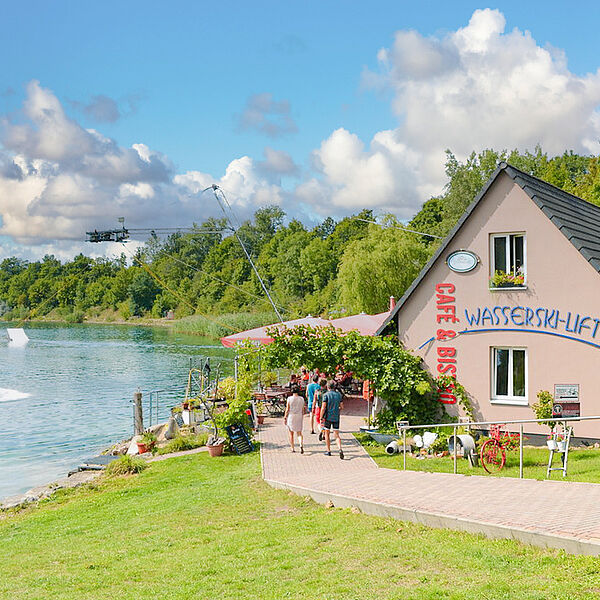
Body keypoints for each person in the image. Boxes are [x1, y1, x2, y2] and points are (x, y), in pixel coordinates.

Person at [321, 380, 344, 459]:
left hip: (328, 417)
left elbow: (323, 407)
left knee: (327, 433)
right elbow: (342, 407)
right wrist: (337, 409)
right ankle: (340, 448)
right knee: (337, 435)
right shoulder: (339, 395)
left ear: (328, 387)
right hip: (336, 416)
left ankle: (328, 450)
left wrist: (321, 417)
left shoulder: (326, 395)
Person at [284, 384, 305, 453]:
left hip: (291, 416)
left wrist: (285, 417)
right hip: (299, 415)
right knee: (299, 433)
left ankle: (292, 448)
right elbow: (303, 409)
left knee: (291, 433)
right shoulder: (301, 399)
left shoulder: (289, 399)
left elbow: (287, 409)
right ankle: (301, 444)